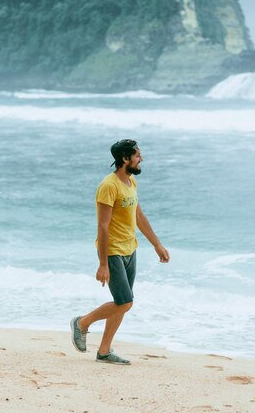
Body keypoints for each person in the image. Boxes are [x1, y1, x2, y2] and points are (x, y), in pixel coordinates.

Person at [70, 139, 170, 365]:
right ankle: (82, 323)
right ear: (125, 159)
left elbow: (138, 216)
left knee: (121, 303)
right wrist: (103, 263)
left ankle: (104, 351)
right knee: (125, 302)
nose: (141, 159)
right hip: (113, 251)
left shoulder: (130, 182)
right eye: (137, 155)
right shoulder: (109, 186)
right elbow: (102, 226)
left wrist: (157, 244)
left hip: (130, 249)